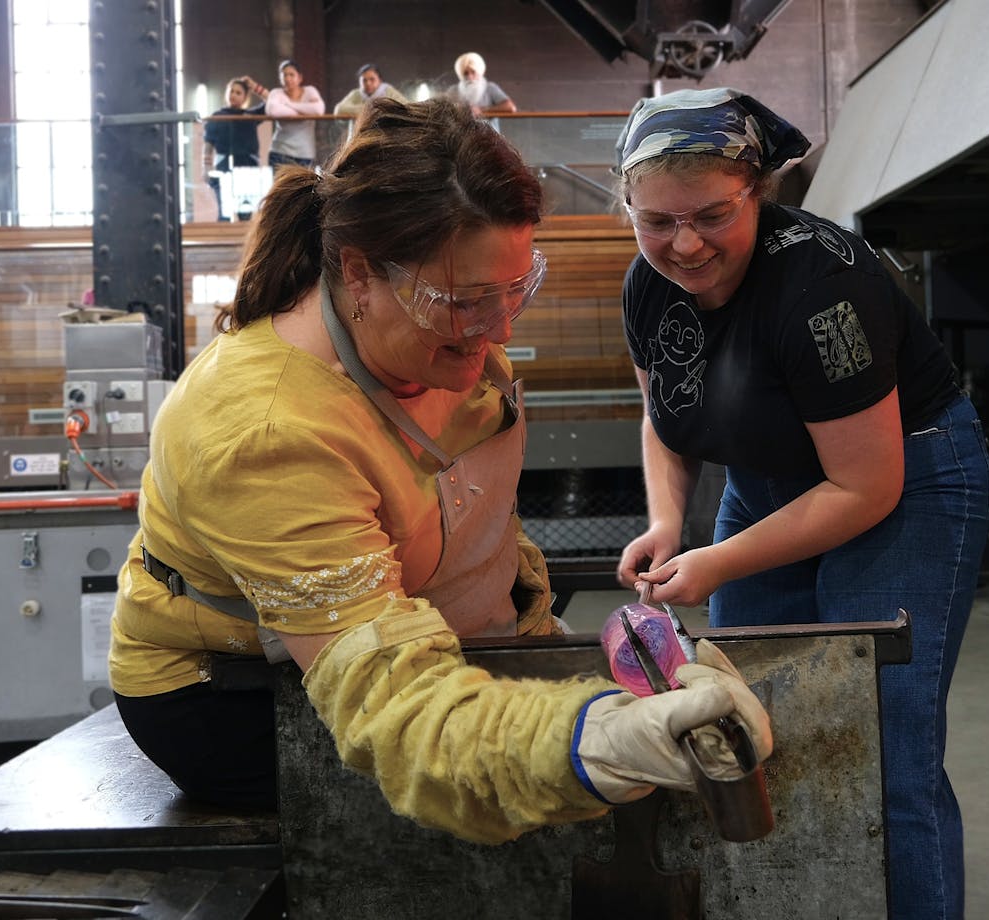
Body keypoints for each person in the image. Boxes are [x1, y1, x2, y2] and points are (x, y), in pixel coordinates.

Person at [107, 97, 772, 845]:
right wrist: (587, 739)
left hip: (443, 641)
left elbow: (476, 521)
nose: (499, 331)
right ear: (359, 273)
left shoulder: (449, 343)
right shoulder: (266, 434)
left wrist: (555, 654)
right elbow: (392, 707)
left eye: (514, 290)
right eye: (463, 301)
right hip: (238, 696)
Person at [613, 87, 989, 919]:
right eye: (656, 221)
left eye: (711, 215)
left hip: (906, 480)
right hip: (769, 479)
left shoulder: (824, 289)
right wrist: (668, 524)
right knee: (756, 727)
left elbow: (865, 486)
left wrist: (714, 562)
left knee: (885, 744)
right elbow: (665, 414)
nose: (683, 245)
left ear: (759, 191)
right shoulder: (646, 285)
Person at [202, 77, 265, 220]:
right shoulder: (217, 117)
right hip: (224, 166)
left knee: (245, 213)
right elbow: (208, 144)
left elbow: (272, 102)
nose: (234, 95)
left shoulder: (250, 115)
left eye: (238, 92)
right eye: (231, 91)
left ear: (245, 97)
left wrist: (254, 86)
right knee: (224, 212)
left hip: (248, 167)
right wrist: (206, 167)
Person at [262, 58, 325, 170]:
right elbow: (272, 111)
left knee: (304, 187)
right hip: (279, 151)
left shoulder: (310, 91)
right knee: (280, 187)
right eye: (284, 75)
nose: (287, 78)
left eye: (291, 74)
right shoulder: (276, 93)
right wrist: (305, 111)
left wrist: (288, 104)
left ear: (299, 77)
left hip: (305, 152)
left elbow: (318, 110)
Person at [449, 51, 516, 116]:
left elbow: (510, 107)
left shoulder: (490, 88)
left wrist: (481, 110)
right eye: (466, 73)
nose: (469, 77)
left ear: (480, 72)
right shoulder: (453, 90)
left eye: (473, 72)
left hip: (487, 127)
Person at [333, 63, 408, 117]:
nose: (368, 83)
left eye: (372, 79)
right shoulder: (356, 94)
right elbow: (339, 109)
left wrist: (360, 111)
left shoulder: (388, 91)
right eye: (364, 80)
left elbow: (406, 107)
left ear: (380, 80)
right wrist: (375, 108)